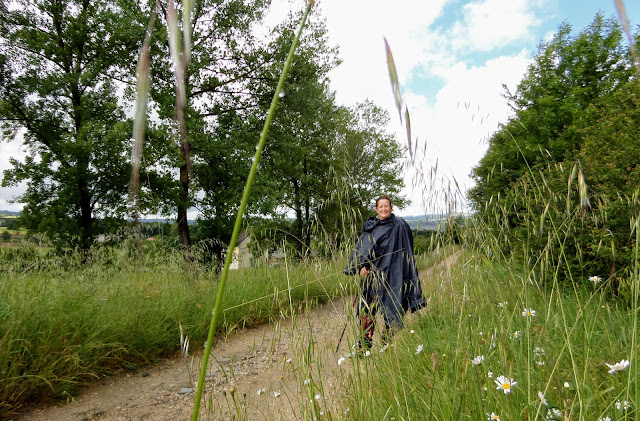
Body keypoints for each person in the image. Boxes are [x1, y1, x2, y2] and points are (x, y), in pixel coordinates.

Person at [344, 195, 426, 352]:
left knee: (394, 308)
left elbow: (406, 249)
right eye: (380, 206)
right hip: (372, 277)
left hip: (393, 275)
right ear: (376, 209)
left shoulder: (400, 225)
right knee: (367, 311)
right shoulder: (371, 227)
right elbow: (362, 251)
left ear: (391, 207)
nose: (383, 209)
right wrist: (361, 267)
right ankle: (364, 347)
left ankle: (386, 342)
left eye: (386, 206)